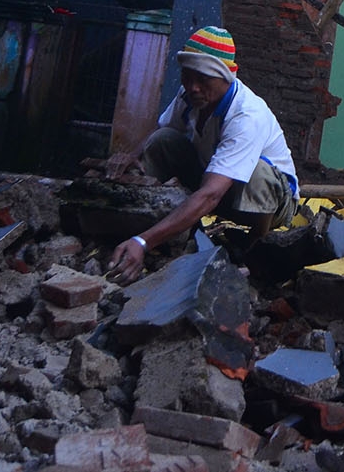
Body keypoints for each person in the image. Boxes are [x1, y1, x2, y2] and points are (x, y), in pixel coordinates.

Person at [106, 26, 299, 282]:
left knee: (256, 172)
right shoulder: (190, 96)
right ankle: (160, 217)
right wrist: (131, 156)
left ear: (226, 77)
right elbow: (164, 129)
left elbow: (211, 194)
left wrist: (143, 242)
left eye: (204, 79)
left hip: (270, 205)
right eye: (188, 77)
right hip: (217, 184)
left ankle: (254, 251)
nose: (193, 87)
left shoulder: (247, 116)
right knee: (163, 140)